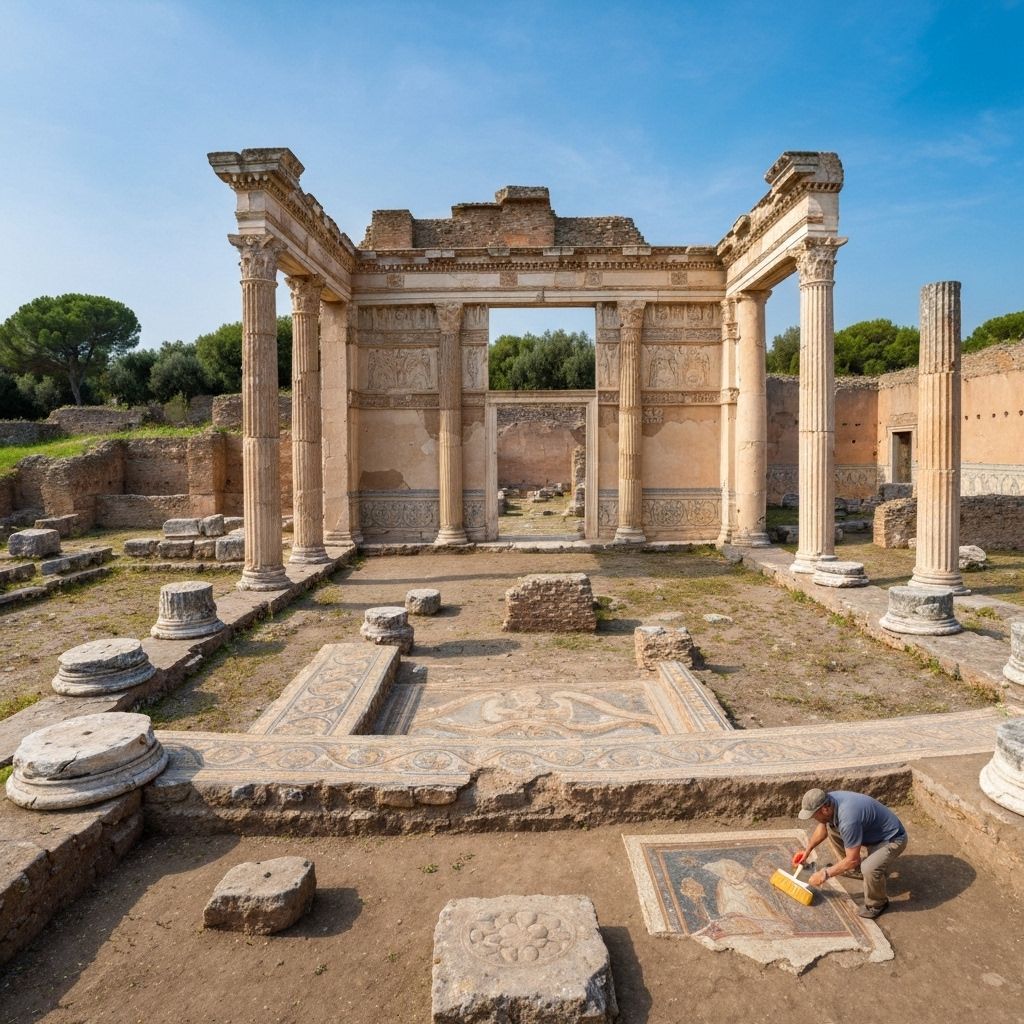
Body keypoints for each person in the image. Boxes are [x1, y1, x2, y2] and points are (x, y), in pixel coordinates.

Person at [793, 787, 908, 919]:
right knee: (832, 828)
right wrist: (807, 852)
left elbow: (853, 859)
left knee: (868, 868)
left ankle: (878, 904)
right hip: (872, 833)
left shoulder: (848, 819)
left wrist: (825, 874)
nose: (814, 818)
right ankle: (853, 870)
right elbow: (823, 828)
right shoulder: (828, 801)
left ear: (824, 809)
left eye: (814, 815)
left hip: (893, 839)